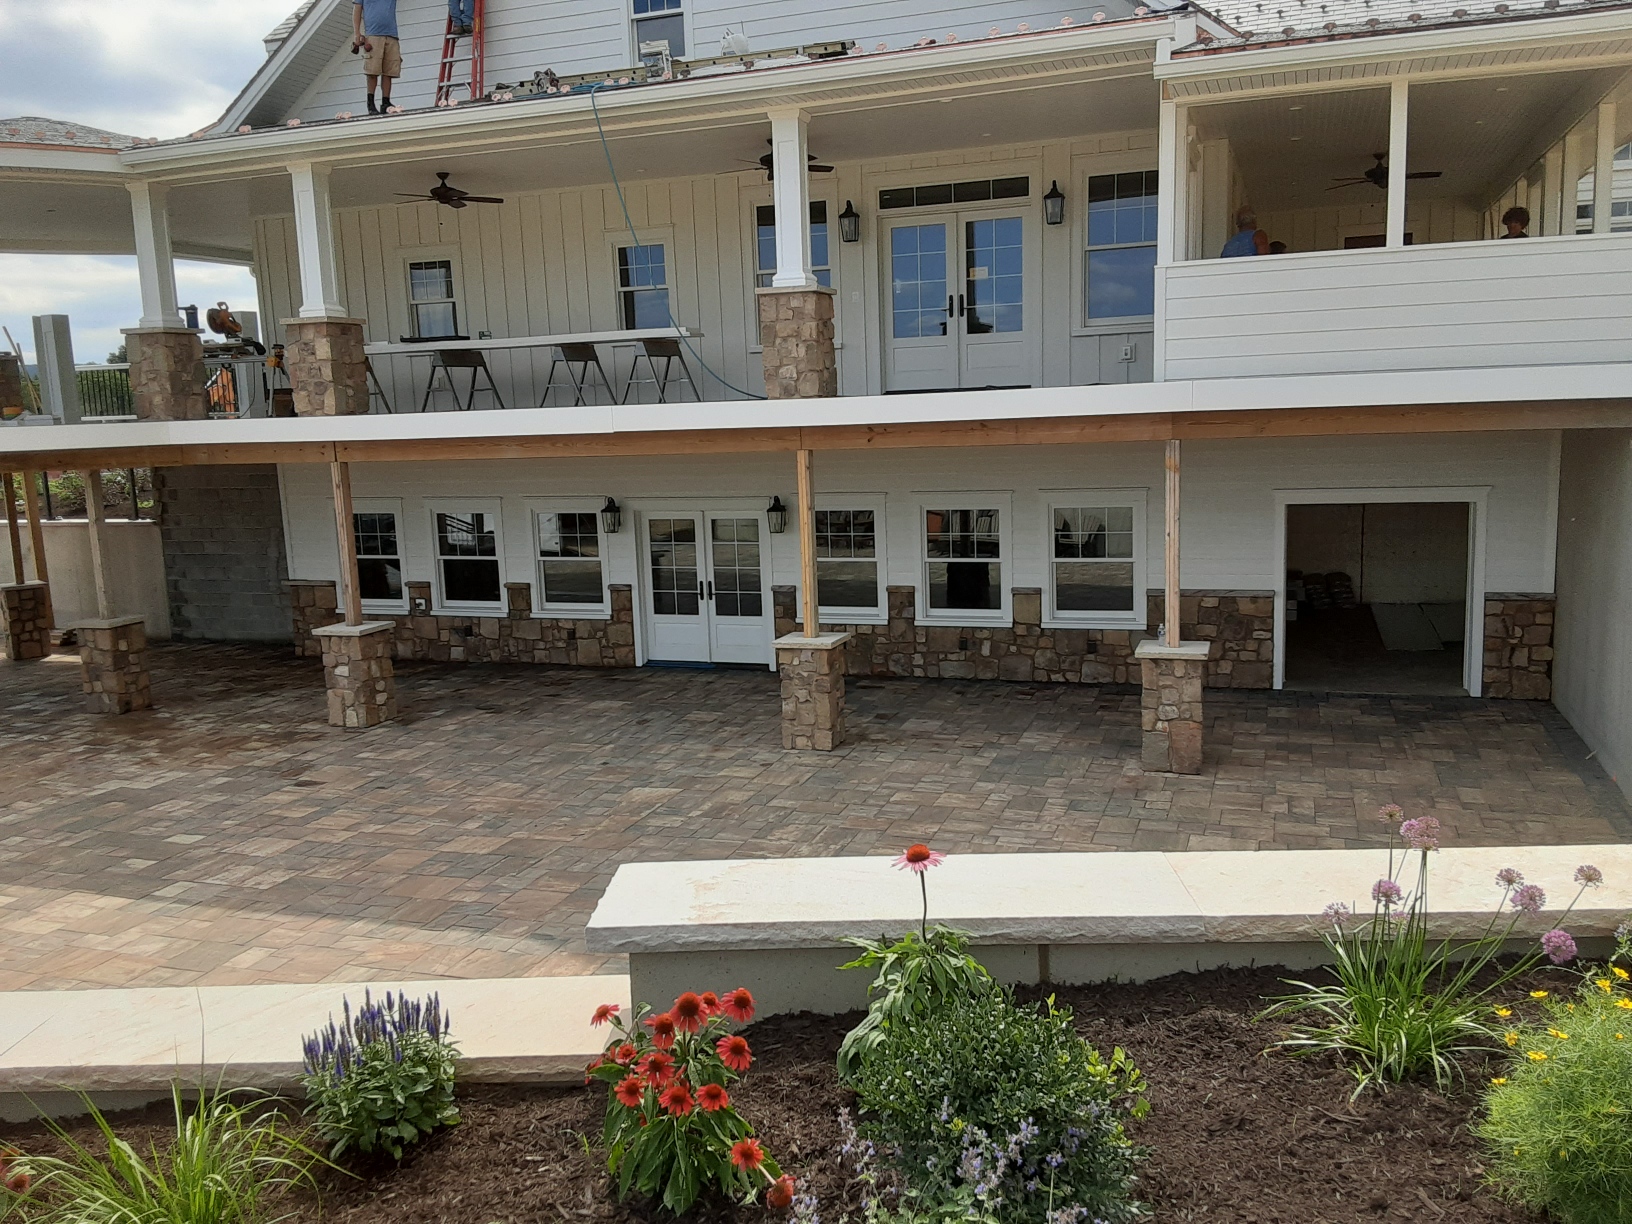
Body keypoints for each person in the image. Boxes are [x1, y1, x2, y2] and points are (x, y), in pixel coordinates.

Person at [352, 0, 400, 115]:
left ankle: (386, 102)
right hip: (373, 34)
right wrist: (357, 33)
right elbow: (357, 9)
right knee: (372, 71)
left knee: (389, 71)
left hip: (391, 35)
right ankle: (371, 103)